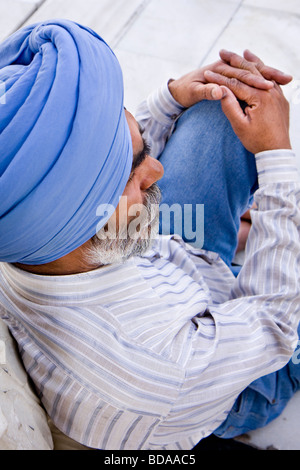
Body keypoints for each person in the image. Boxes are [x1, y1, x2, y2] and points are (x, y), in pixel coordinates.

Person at [0, 19, 299, 450]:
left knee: (220, 107)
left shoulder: (33, 233)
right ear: (92, 219)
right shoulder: (158, 365)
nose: (157, 169)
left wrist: (169, 99)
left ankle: (247, 238)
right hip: (236, 379)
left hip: (172, 267)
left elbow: (98, 167)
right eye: (136, 170)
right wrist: (277, 159)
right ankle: (256, 238)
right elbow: (274, 321)